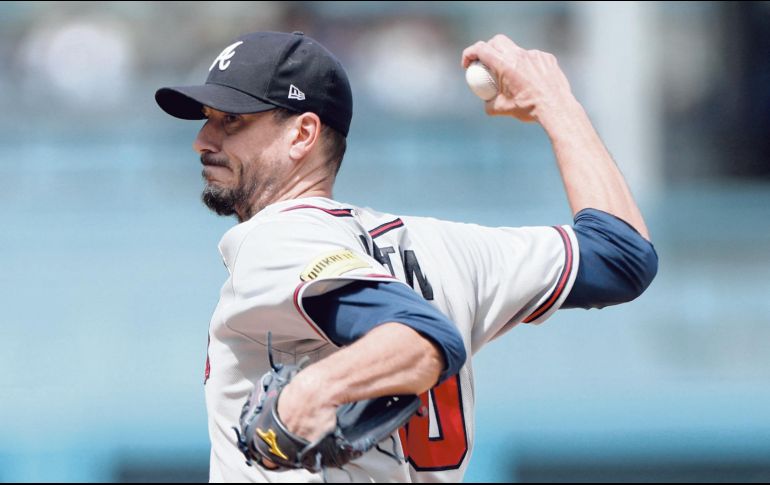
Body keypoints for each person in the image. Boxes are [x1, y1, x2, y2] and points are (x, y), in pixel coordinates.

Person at [155, 31, 658, 482]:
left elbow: (421, 339)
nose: (204, 140)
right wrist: (557, 104)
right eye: (208, 121)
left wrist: (310, 394)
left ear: (302, 134)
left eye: (232, 122)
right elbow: (621, 255)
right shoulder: (448, 248)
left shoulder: (276, 239)